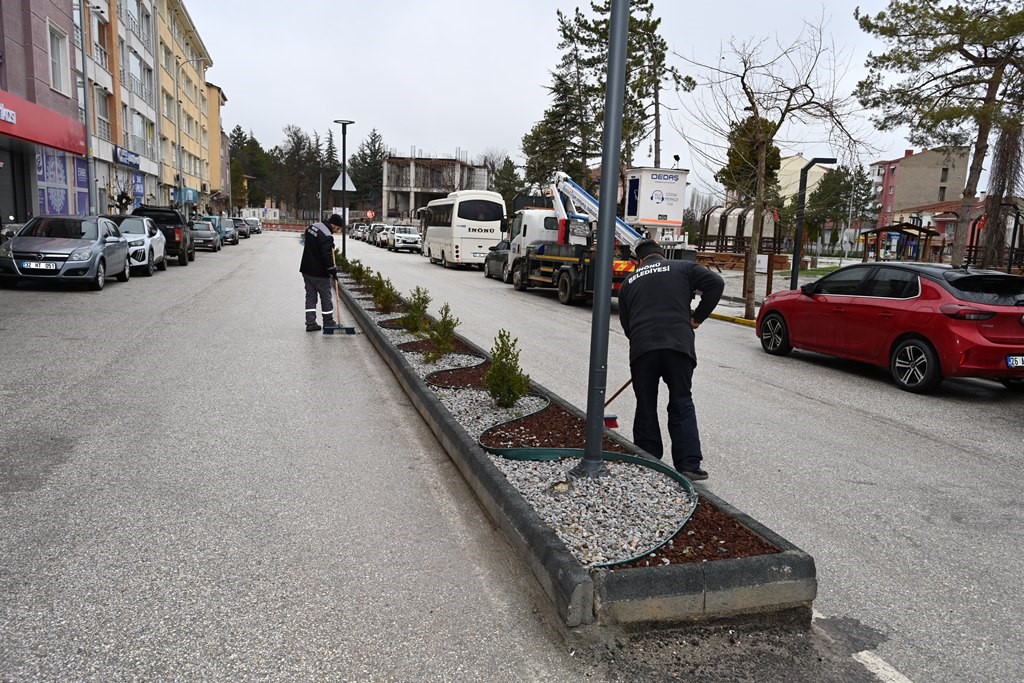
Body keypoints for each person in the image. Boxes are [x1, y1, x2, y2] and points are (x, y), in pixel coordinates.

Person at [617, 238, 725, 481]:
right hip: (678, 346)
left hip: (644, 349)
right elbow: (715, 283)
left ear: (639, 261)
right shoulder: (682, 268)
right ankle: (688, 464)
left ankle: (648, 458)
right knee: (681, 400)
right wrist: (698, 317)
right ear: (661, 255)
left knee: (645, 403)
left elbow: (627, 325)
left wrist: (644, 340)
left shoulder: (629, 283)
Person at [300, 214, 344, 331]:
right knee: (325, 297)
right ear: (333, 225)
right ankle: (328, 322)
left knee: (310, 296)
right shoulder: (327, 236)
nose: (337, 231)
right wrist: (332, 270)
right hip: (319, 272)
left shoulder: (312, 227)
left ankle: (310, 323)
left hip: (306, 269)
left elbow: (311, 241)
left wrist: (327, 245)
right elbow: (326, 256)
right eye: (338, 228)